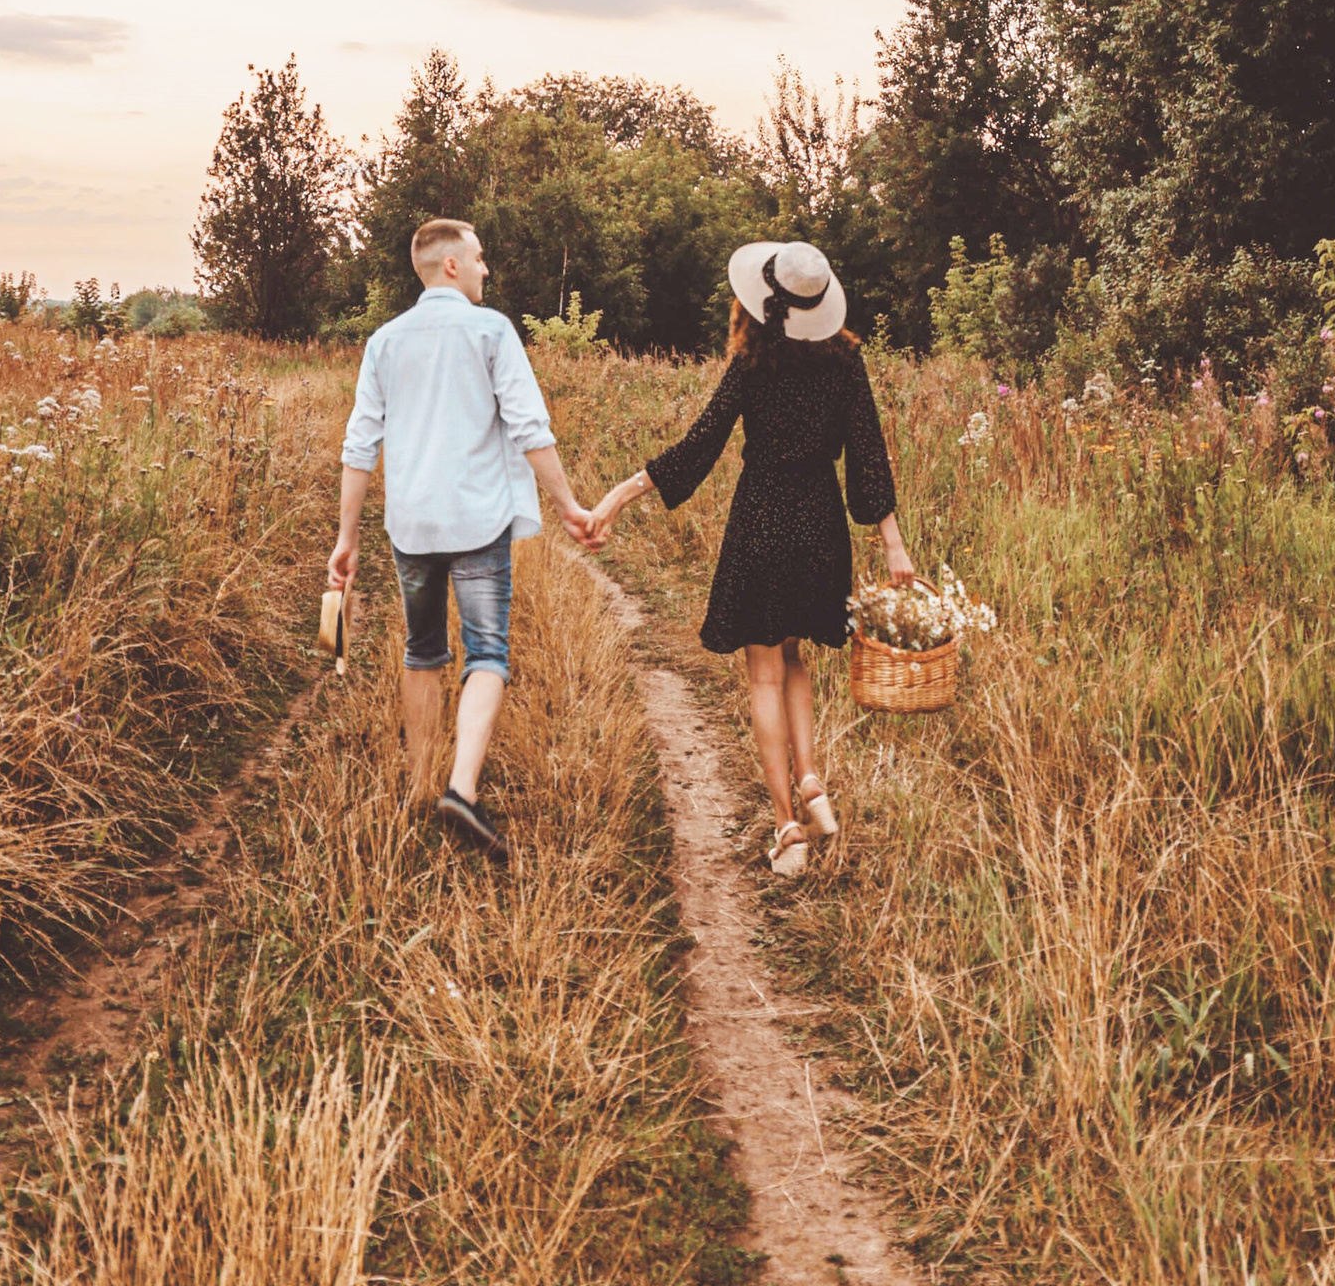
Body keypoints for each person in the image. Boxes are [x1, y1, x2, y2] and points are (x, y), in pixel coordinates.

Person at [582, 237, 913, 877]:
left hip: (762, 521)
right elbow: (869, 458)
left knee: (764, 671)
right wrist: (893, 544)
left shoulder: (754, 362)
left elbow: (698, 446)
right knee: (794, 656)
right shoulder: (847, 365)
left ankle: (788, 826)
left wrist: (620, 496)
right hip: (819, 527)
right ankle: (811, 776)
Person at [327, 216, 597, 858]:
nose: (485, 268)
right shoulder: (490, 330)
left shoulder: (385, 342)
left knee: (422, 649)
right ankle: (460, 788)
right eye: (478, 258)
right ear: (450, 265)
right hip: (478, 521)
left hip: (412, 526)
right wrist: (568, 505)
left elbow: (360, 445)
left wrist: (347, 538)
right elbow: (531, 427)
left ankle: (423, 784)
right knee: (488, 654)